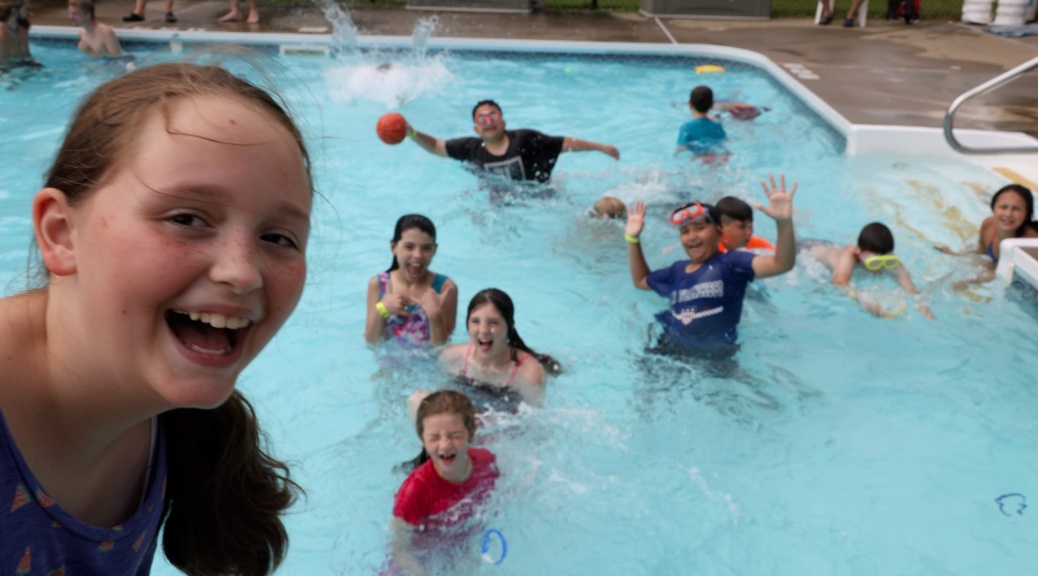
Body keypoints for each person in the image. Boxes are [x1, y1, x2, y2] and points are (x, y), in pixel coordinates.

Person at [0, 63, 310, 574]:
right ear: (61, 232)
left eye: (279, 238)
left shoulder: (167, 426)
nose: (242, 272)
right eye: (186, 219)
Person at [624, 175, 797, 354]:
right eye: (685, 231)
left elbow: (781, 264)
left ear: (719, 232)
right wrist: (632, 239)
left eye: (700, 228)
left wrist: (784, 222)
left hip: (715, 357)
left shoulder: (731, 263)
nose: (692, 236)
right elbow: (641, 280)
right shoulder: (676, 270)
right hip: (667, 350)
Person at [392, 390, 499, 575]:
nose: (445, 445)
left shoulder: (486, 463)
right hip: (421, 552)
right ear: (423, 441)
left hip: (460, 541)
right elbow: (399, 548)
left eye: (455, 435)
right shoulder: (414, 491)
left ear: (471, 433)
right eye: (434, 438)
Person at [401, 100, 620, 183]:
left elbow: (563, 144)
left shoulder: (525, 139)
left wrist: (601, 147)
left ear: (503, 122)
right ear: (476, 128)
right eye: (482, 118)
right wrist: (412, 133)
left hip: (537, 196)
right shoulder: (470, 148)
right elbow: (437, 147)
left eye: (493, 115)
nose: (489, 121)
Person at [438, 288, 561, 408]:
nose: (483, 330)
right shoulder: (452, 357)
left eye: (493, 322)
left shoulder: (528, 374)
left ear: (510, 327)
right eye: (475, 321)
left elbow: (535, 422)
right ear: (467, 325)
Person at [365, 214, 458, 347]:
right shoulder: (378, 284)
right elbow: (371, 343)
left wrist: (434, 315)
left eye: (426, 248)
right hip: (388, 366)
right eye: (409, 247)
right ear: (394, 248)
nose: (418, 255)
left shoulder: (445, 289)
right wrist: (382, 310)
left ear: (434, 250)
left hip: (428, 366)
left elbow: (442, 351)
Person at [808, 222, 935, 319]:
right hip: (809, 252)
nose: (880, 267)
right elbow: (839, 283)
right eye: (874, 263)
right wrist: (864, 300)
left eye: (885, 261)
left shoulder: (888, 258)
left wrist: (921, 303)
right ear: (859, 253)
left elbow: (910, 288)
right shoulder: (850, 256)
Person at [935, 184, 1038, 288]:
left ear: (1027, 214)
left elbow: (1006, 274)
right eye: (1003, 207)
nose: (1008, 214)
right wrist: (957, 256)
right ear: (994, 208)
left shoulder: (1030, 243)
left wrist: (969, 282)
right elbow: (981, 253)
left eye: (1016, 209)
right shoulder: (989, 225)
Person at [676, 86, 729, 165]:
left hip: (698, 161)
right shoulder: (718, 126)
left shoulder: (686, 127)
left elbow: (681, 149)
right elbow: (725, 143)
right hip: (716, 159)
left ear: (690, 104)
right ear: (712, 105)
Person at [0, 0, 32, 67]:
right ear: (14, 11)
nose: (29, 13)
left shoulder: (22, 29)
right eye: (25, 9)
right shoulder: (2, 31)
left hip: (19, 67)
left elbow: (27, 56)